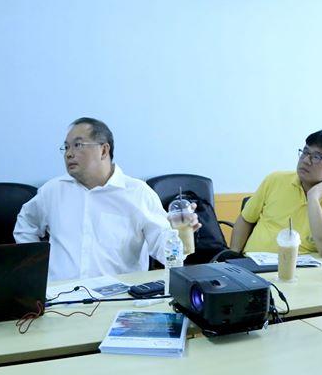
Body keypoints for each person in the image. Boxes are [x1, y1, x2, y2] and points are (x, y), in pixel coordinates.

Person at [14, 117, 199, 282]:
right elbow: (26, 223)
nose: (69, 153)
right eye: (66, 147)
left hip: (119, 298)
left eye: (78, 145)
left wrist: (179, 233)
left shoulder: (138, 193)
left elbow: (167, 253)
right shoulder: (52, 191)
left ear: (103, 150)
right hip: (60, 297)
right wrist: (35, 267)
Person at [229, 129, 322, 257]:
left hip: (301, 268)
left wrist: (313, 198)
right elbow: (245, 219)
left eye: (317, 157)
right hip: (251, 262)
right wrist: (233, 255)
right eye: (305, 152)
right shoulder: (275, 180)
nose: (306, 160)